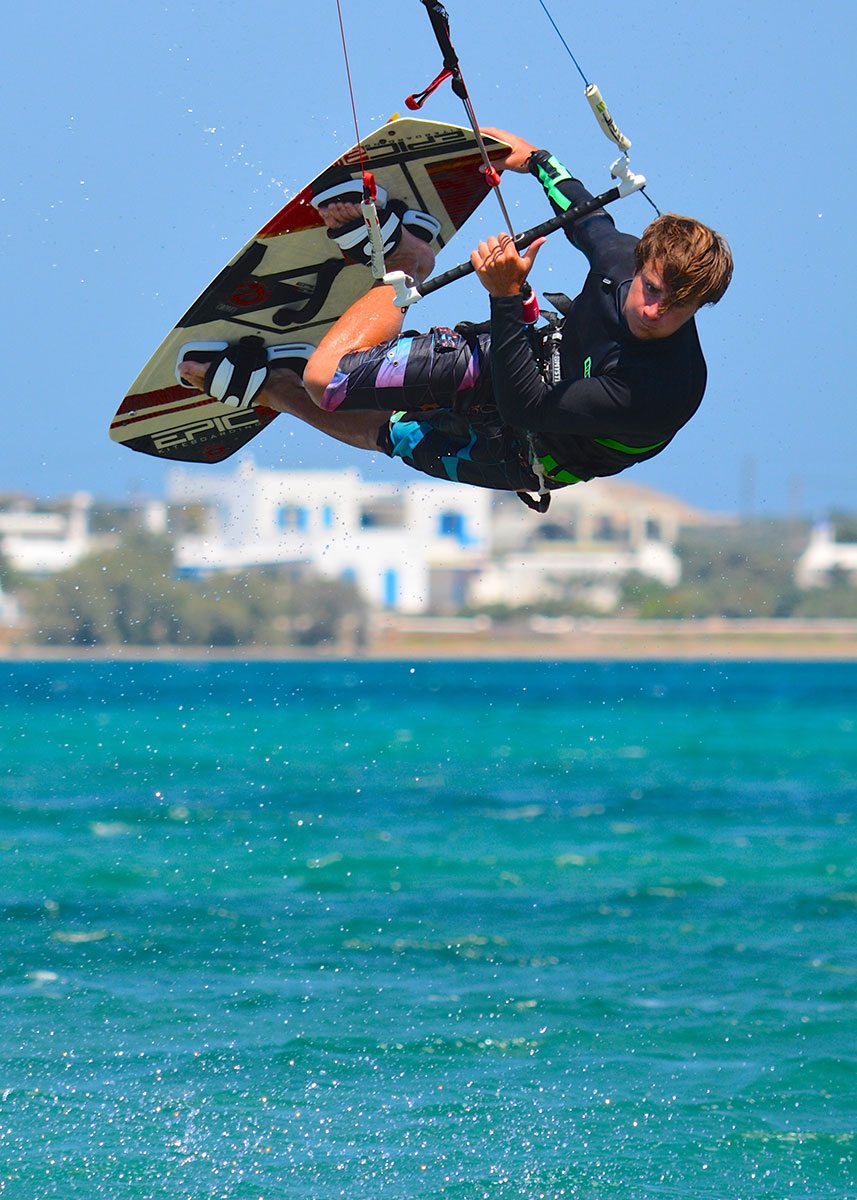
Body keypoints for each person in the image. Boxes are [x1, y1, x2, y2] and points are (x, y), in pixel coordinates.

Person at [178, 130, 732, 508]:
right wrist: (536, 159)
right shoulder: (621, 259)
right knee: (330, 380)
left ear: (699, 306)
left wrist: (506, 297)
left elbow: (525, 407)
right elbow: (588, 216)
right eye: (652, 289)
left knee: (381, 428)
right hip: (524, 355)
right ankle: (407, 260)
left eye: (677, 307)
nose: (655, 311)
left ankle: (275, 389)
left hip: (533, 451)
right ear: (641, 264)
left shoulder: (663, 390)